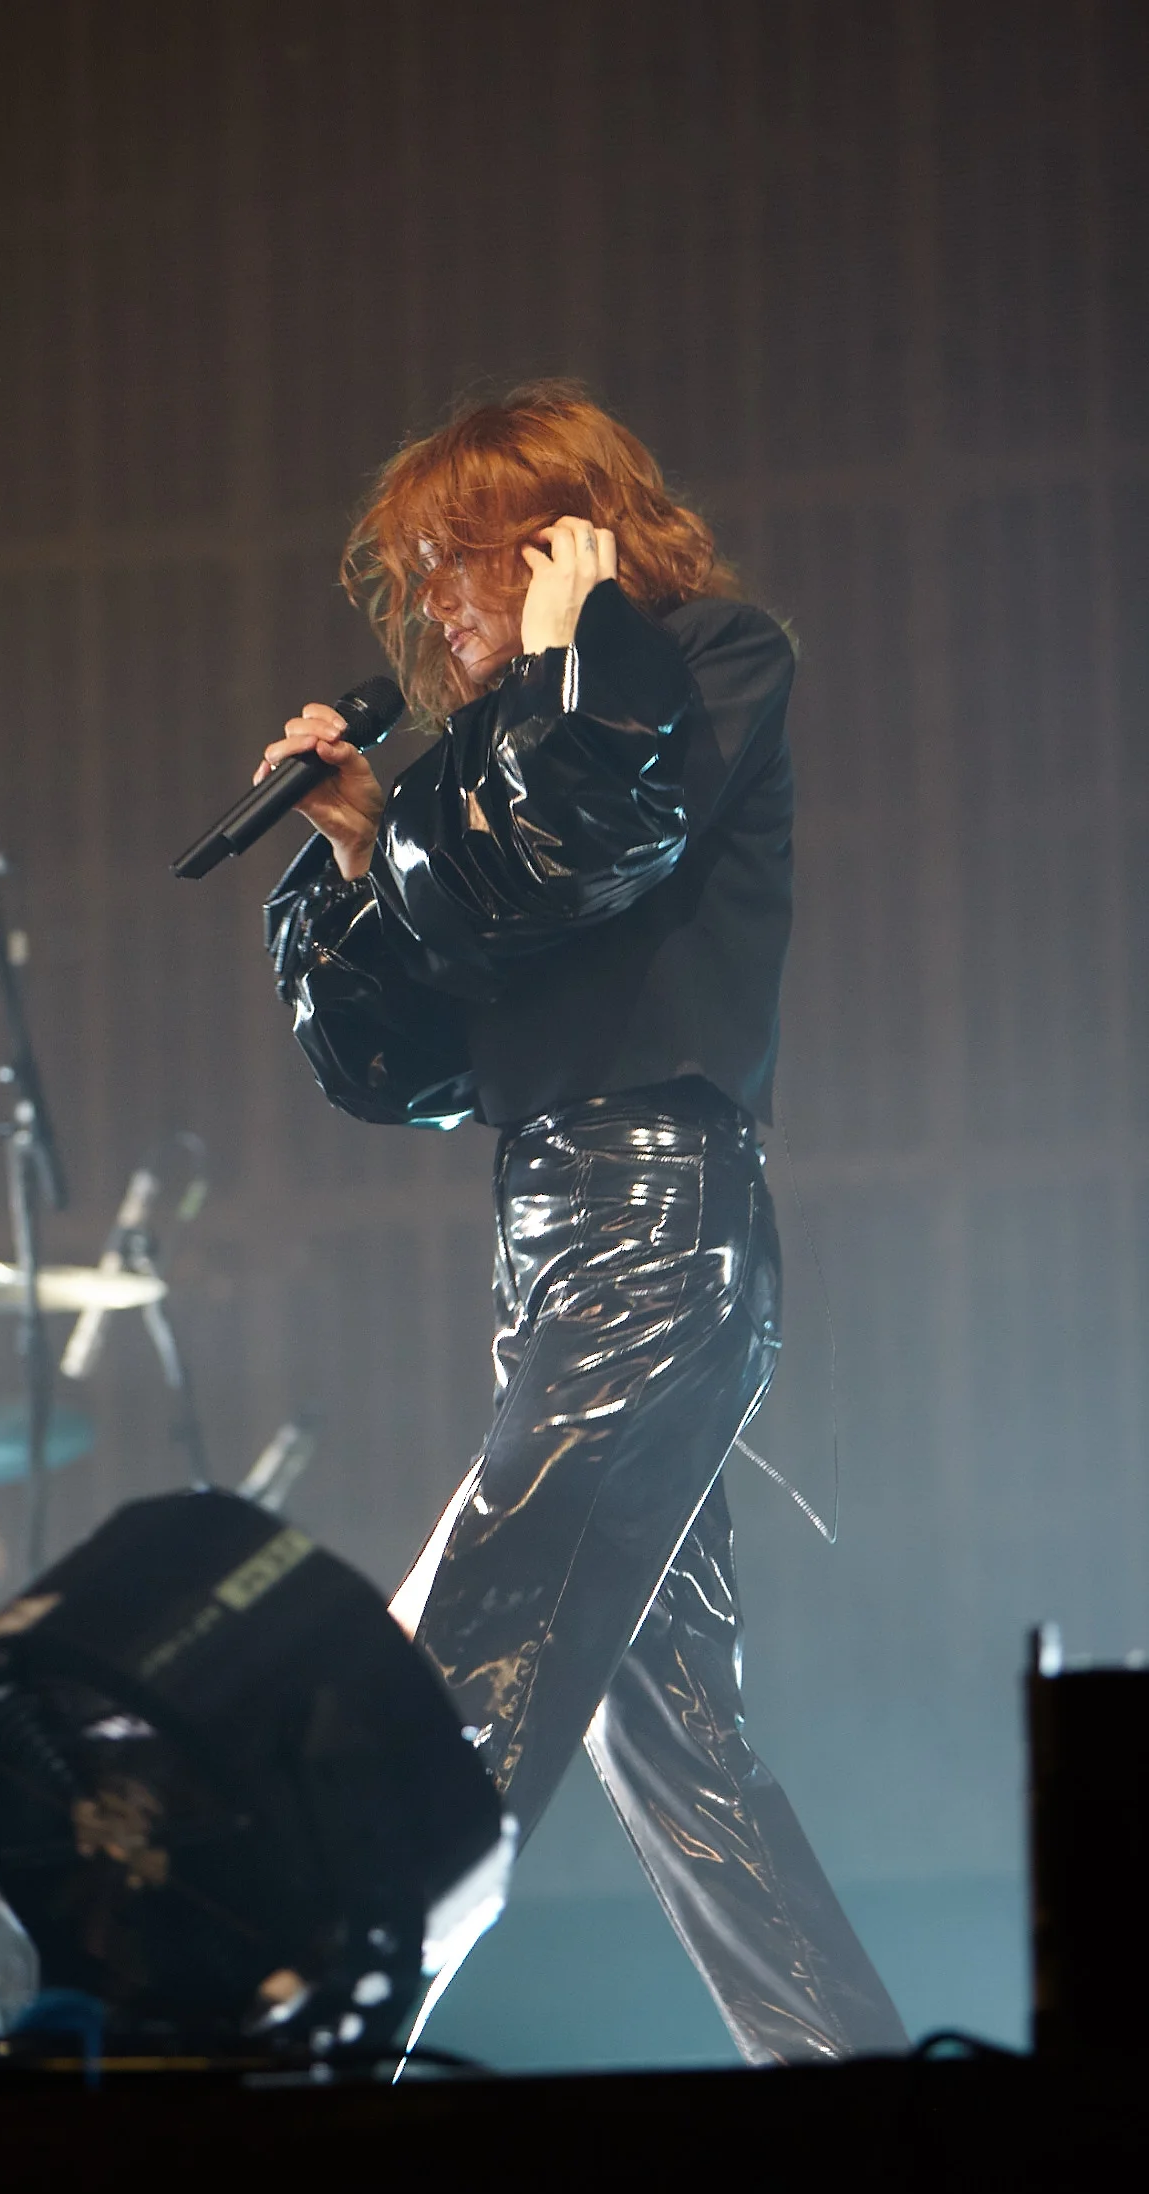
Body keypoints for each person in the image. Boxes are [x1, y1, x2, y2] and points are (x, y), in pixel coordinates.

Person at [260, 383, 906, 2064]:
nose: (440, 604)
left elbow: (577, 851)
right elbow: (403, 1060)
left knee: (465, 1640)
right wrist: (349, 856)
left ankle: (309, 2064)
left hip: (657, 1217)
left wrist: (571, 654)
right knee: (674, 1740)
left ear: (564, 535)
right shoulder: (493, 744)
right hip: (548, 1232)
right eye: (420, 573)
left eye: (464, 558)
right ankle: (854, 2090)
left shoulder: (703, 664)